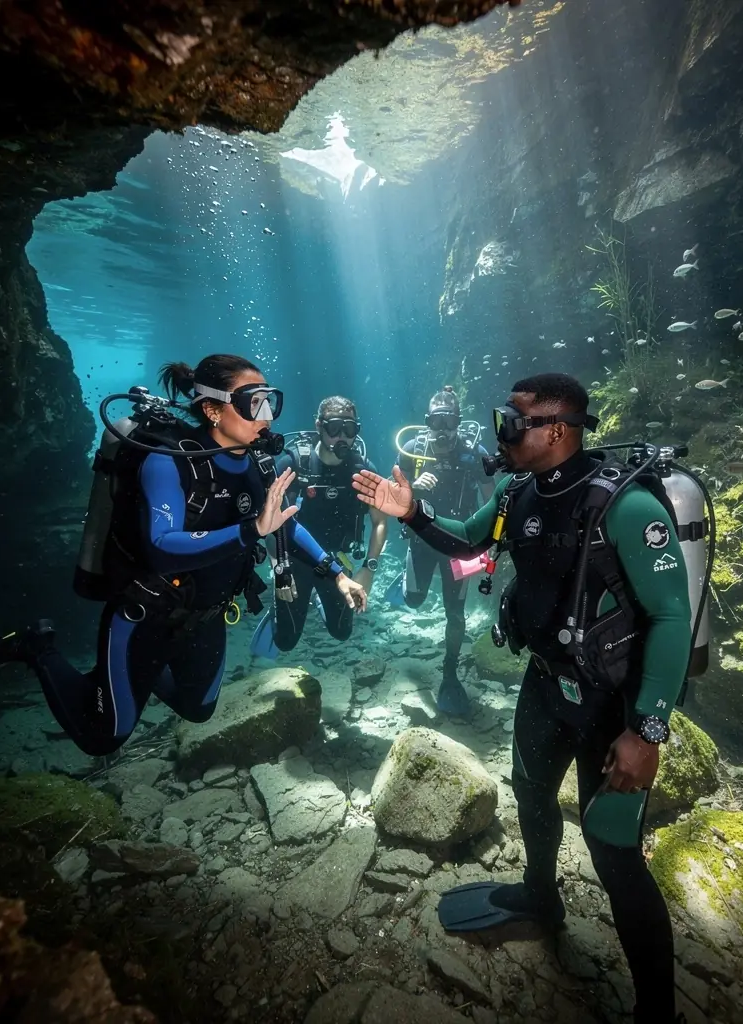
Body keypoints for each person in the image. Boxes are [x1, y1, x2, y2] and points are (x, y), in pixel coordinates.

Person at [352, 373, 691, 1024]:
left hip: (612, 704)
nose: (501, 432)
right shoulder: (517, 493)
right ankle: (542, 897)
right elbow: (466, 542)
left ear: (556, 431)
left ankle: (658, 1010)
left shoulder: (627, 507)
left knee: (615, 853)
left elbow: (672, 618)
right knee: (531, 793)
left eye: (513, 421)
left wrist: (647, 732)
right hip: (544, 681)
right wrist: (413, 513)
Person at [0, 354, 367, 757]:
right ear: (212, 410)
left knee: (198, 710)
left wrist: (336, 574)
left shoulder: (259, 465)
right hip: (146, 613)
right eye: (252, 403)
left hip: (206, 615)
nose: (266, 416)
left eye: (269, 401)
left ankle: (135, 675)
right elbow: (162, 546)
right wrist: (251, 529)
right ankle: (39, 649)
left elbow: (285, 524)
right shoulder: (169, 460)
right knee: (102, 736)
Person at [251, 396, 388, 657]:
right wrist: (278, 569)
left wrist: (369, 568)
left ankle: (317, 598)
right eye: (334, 428)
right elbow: (275, 525)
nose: (342, 438)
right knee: (285, 642)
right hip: (295, 561)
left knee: (342, 633)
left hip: (340, 560)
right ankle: (278, 611)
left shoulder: (363, 470)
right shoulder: (292, 465)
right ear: (319, 426)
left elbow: (380, 521)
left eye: (350, 430)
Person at [394, 385, 492, 715]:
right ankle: (404, 582)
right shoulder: (411, 450)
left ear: (459, 422)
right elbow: (392, 495)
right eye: (437, 422)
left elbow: (494, 500)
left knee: (455, 612)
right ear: (427, 422)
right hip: (421, 543)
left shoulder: (473, 454)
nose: (443, 430)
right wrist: (413, 489)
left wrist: (490, 542)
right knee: (414, 600)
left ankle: (450, 673)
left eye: (449, 422)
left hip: (459, 546)